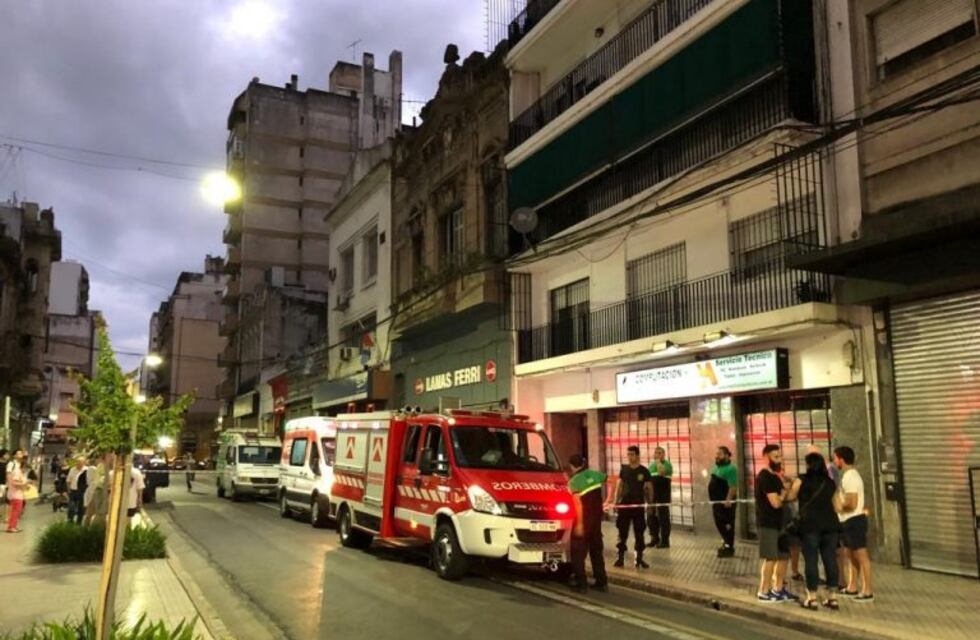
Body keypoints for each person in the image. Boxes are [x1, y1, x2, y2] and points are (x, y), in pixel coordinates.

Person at [789, 452, 842, 610]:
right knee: (830, 560)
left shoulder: (802, 479)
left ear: (808, 465)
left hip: (810, 526)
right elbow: (837, 506)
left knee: (811, 560)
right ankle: (832, 597)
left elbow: (791, 496)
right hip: (831, 526)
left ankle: (811, 597)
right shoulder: (830, 482)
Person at [755, 444, 795, 603]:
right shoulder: (765, 477)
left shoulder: (775, 477)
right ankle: (763, 591)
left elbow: (785, 499)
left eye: (780, 456)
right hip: (768, 523)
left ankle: (778, 588)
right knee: (770, 557)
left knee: (783, 556)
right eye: (775, 457)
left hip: (780, 524)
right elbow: (776, 503)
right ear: (766, 457)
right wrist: (784, 491)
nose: (779, 459)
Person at [834, 446, 874, 602]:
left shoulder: (850, 477)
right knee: (851, 555)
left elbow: (852, 503)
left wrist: (838, 504)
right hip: (849, 521)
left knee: (861, 556)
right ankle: (852, 586)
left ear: (841, 459)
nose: (834, 461)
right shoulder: (849, 475)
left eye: (835, 458)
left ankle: (867, 590)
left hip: (854, 521)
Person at [567, 454, 608, 593]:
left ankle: (581, 583)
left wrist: (579, 524)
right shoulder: (594, 474)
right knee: (596, 551)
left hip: (584, 520)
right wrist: (609, 499)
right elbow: (612, 479)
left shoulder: (574, 481)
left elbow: (578, 504)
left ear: (572, 466)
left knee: (578, 551)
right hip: (597, 520)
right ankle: (601, 582)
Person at [608, 445, 653, 569]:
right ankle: (620, 558)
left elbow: (649, 488)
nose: (629, 457)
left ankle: (639, 559)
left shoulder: (644, 471)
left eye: (632, 454)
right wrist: (616, 501)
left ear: (637, 455)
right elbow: (620, 486)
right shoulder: (624, 469)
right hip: (625, 506)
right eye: (628, 454)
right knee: (622, 533)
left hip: (638, 507)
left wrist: (650, 505)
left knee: (639, 533)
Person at [709, 446, 738, 557]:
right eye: (716, 454)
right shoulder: (716, 467)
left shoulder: (731, 469)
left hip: (725, 503)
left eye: (720, 454)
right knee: (719, 523)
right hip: (716, 503)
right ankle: (726, 542)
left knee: (727, 525)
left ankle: (729, 547)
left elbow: (733, 486)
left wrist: (728, 499)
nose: (717, 456)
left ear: (726, 455)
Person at [646, 446, 673, 549]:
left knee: (663, 518)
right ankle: (654, 538)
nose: (657, 455)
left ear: (664, 455)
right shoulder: (651, 466)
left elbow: (661, 473)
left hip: (663, 496)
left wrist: (658, 462)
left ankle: (665, 541)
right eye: (656, 452)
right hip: (652, 496)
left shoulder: (667, 465)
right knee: (651, 518)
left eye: (659, 453)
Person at [5, 452, 32, 533]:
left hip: (18, 494)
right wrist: (24, 484)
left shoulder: (20, 473)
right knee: (16, 511)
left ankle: (13, 526)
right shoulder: (17, 472)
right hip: (15, 494)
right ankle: (11, 527)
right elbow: (15, 483)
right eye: (26, 469)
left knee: (16, 511)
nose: (26, 471)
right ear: (23, 467)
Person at [67, 457, 89, 524]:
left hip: (82, 492)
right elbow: (68, 480)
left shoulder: (86, 470)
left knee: (81, 508)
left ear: (84, 463)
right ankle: (70, 521)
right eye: (77, 462)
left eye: (80, 462)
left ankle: (79, 522)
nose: (78, 463)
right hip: (73, 491)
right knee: (71, 507)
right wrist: (69, 490)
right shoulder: (72, 470)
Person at [0, 448, 9, 524]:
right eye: (6, 454)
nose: (7, 456)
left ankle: (5, 517)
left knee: (5, 501)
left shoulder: (8, 464)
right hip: (1, 484)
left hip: (5, 484)